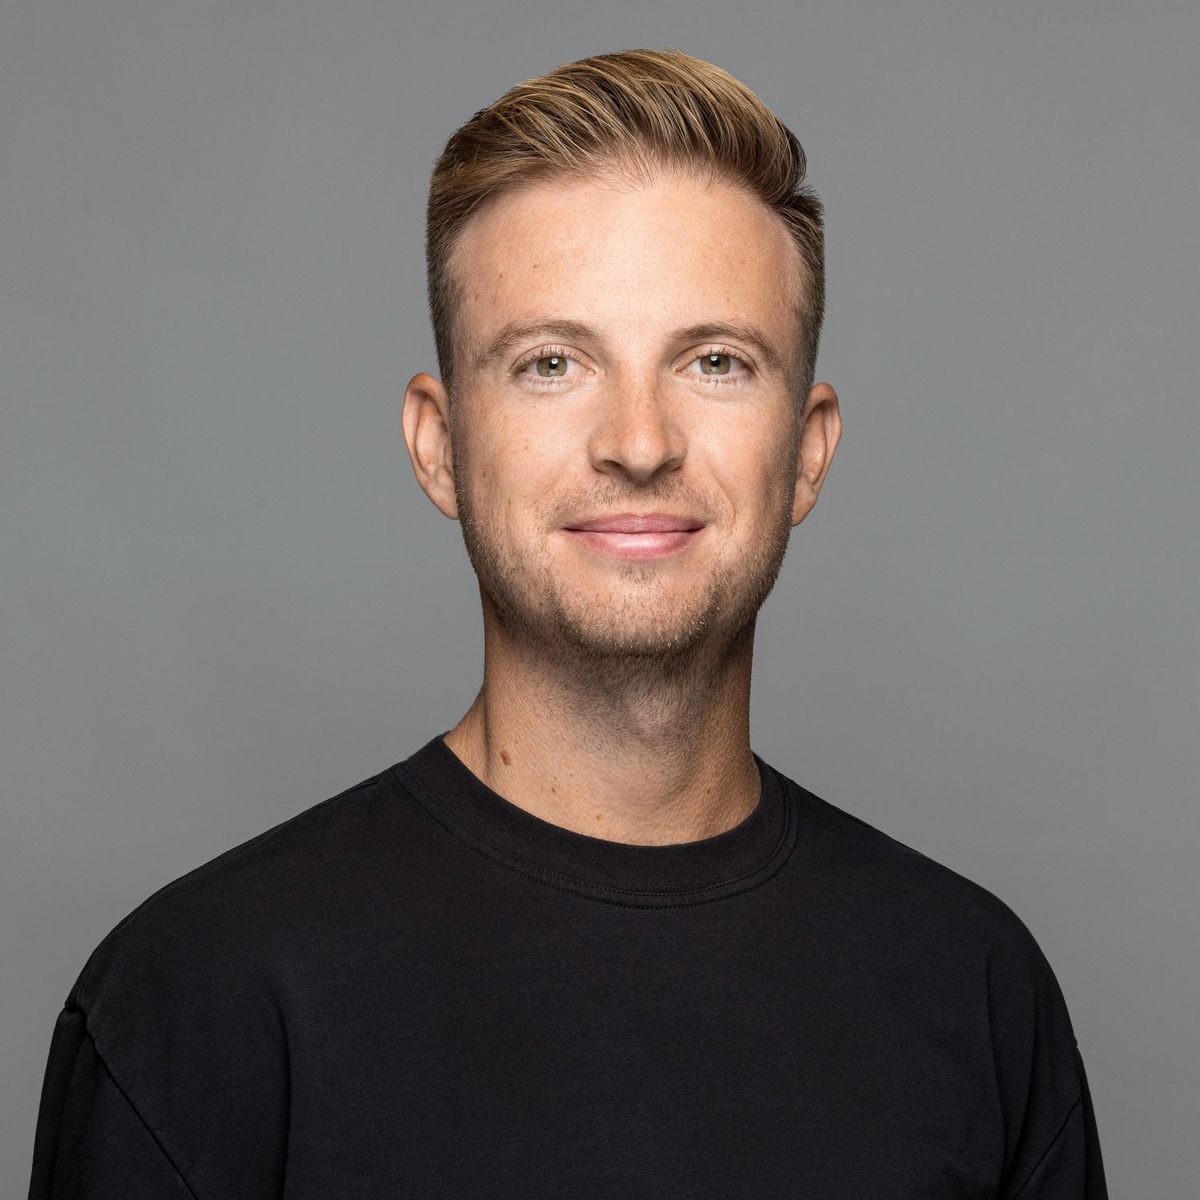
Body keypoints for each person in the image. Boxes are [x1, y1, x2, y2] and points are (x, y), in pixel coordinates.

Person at [27, 48, 1108, 1198]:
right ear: (440, 446)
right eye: (552, 363)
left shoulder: (974, 989)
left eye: (715, 361)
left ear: (807, 450)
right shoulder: (199, 1004)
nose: (638, 442)